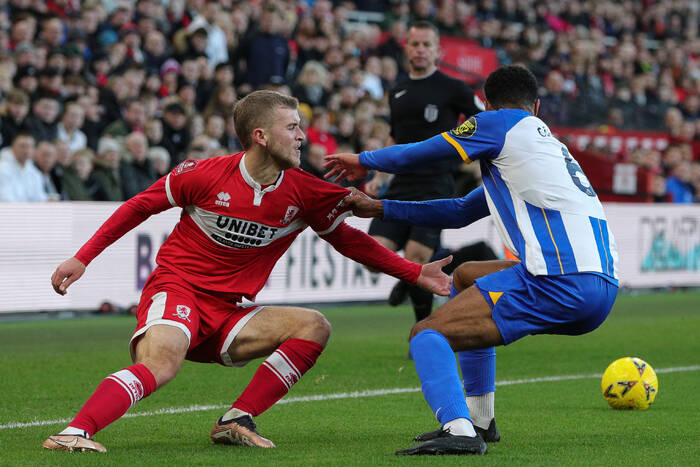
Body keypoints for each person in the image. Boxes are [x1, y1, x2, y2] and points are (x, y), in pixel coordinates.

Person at [42, 90, 452, 454]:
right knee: (163, 364)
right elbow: (138, 207)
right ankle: (74, 431)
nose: (301, 136)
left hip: (229, 311)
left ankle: (236, 420)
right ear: (261, 136)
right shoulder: (202, 174)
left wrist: (414, 272)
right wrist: (83, 257)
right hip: (178, 289)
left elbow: (347, 239)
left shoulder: (305, 190)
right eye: (291, 127)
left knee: (314, 326)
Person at [324, 65, 619, 456]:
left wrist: (366, 159)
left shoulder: (499, 125)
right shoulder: (542, 151)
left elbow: (425, 149)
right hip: (602, 285)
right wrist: (380, 207)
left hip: (559, 280)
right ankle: (481, 420)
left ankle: (459, 429)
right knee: (465, 275)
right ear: (537, 105)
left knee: (427, 334)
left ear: (486, 104)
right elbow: (460, 210)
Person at [368, 21, 483, 334]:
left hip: (435, 184)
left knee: (418, 257)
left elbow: (485, 120)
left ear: (437, 51)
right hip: (401, 184)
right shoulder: (398, 91)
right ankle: (410, 279)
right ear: (406, 47)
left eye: (426, 45)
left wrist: (473, 156)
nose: (420, 50)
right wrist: (379, 176)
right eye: (415, 44)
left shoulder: (453, 88)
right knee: (372, 253)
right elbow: (394, 138)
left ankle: (423, 329)